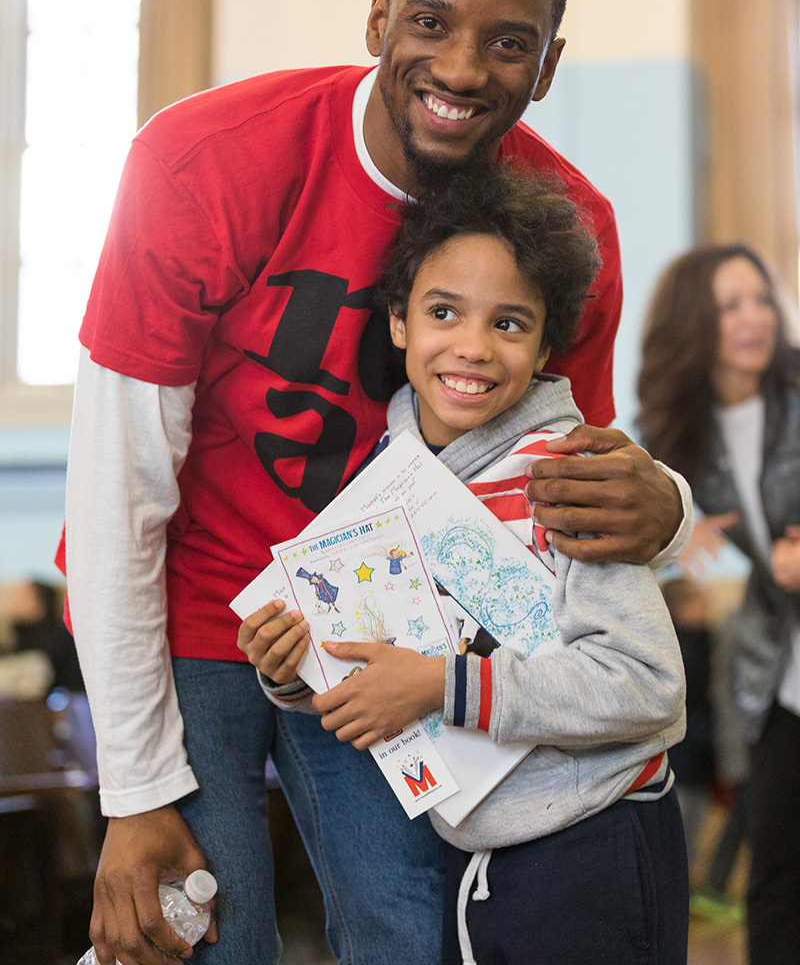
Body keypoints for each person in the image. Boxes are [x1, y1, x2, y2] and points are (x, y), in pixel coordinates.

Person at [63, 0, 691, 964]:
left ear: (545, 69)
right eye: (429, 22)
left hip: (385, 643)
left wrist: (666, 509)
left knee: (405, 934)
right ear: (376, 21)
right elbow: (117, 491)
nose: (460, 67)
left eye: (507, 44)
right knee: (203, 936)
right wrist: (133, 791)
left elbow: (558, 494)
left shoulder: (566, 227)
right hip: (190, 616)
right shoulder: (201, 161)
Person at [241, 166, 688, 965]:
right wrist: (293, 672)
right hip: (476, 858)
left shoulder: (568, 480)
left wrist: (441, 684)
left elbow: (647, 685)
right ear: (399, 321)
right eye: (444, 312)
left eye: (509, 324)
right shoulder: (387, 483)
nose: (474, 348)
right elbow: (388, 683)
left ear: (548, 343)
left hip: (593, 846)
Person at [637, 243, 800, 964]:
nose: (753, 318)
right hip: (771, 679)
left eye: (760, 299)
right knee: (775, 877)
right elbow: (678, 560)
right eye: (731, 304)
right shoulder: (677, 443)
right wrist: (687, 543)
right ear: (696, 321)